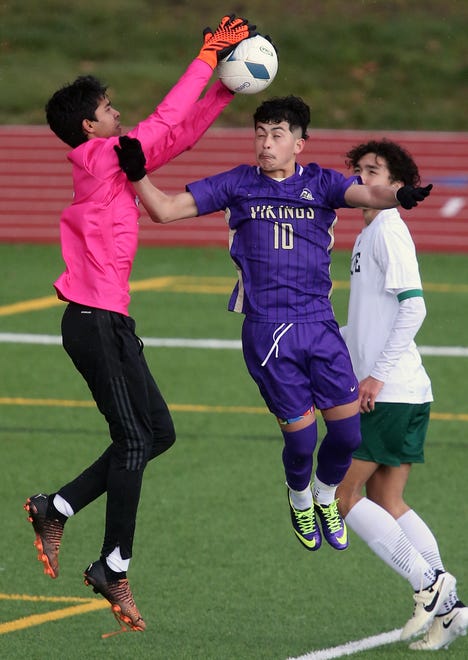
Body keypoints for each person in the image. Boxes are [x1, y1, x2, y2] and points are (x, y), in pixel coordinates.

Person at [113, 96, 432, 558]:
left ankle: (324, 496)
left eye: (277, 134)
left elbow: (366, 194)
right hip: (268, 332)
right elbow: (163, 210)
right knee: (302, 443)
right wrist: (137, 173)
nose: (266, 143)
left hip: (320, 327)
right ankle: (301, 498)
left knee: (347, 437)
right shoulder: (237, 184)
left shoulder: (321, 183)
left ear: (299, 143)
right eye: (260, 133)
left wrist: (399, 196)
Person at [23, 14, 257, 635]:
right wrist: (207, 58)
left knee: (157, 432)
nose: (117, 113)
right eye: (108, 108)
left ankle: (57, 505)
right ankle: (113, 565)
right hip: (94, 320)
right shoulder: (99, 158)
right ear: (87, 126)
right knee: (133, 439)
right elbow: (160, 123)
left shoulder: (110, 158)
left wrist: (224, 93)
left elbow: (174, 137)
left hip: (111, 321)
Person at [335, 139, 468, 650]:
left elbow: (414, 309)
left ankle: (430, 586)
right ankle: (448, 608)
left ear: (396, 186)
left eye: (374, 172)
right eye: (359, 171)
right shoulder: (369, 233)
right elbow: (370, 322)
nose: (363, 180)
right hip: (404, 390)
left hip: (390, 393)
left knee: (337, 499)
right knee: (386, 498)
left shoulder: (389, 231)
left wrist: (375, 377)